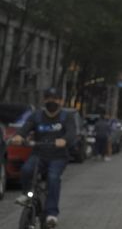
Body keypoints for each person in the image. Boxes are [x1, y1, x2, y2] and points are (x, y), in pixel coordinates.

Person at [12, 87, 76, 228]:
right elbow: (25, 128)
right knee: (26, 170)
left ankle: (52, 214)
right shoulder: (37, 116)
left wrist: (65, 140)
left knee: (53, 178)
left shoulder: (66, 117)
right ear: (44, 100)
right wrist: (19, 136)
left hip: (58, 157)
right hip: (39, 154)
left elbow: (72, 134)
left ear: (61, 101)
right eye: (49, 98)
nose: (52, 101)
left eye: (55, 99)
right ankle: (26, 194)